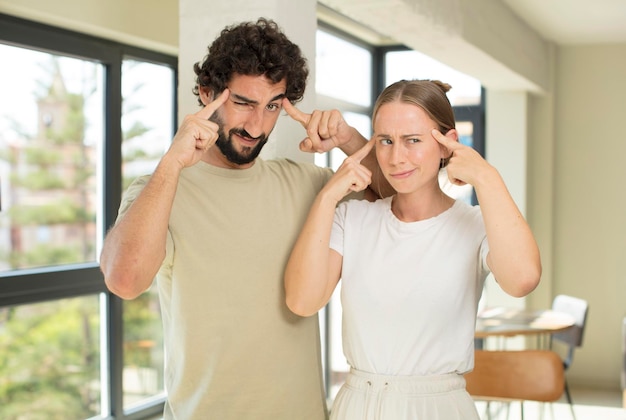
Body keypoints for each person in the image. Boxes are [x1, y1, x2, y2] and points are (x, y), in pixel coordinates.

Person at [99, 18, 389, 420]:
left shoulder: (307, 184)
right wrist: (172, 162)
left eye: (272, 106)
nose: (257, 125)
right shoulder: (161, 189)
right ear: (207, 94)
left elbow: (398, 204)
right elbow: (124, 280)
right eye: (244, 103)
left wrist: (348, 140)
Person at [284, 79, 542, 419]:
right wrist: (328, 196)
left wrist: (486, 177)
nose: (396, 157)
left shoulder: (475, 225)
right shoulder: (354, 217)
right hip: (358, 404)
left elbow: (522, 280)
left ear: (448, 143)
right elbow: (302, 301)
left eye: (413, 140)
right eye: (386, 141)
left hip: (439, 406)